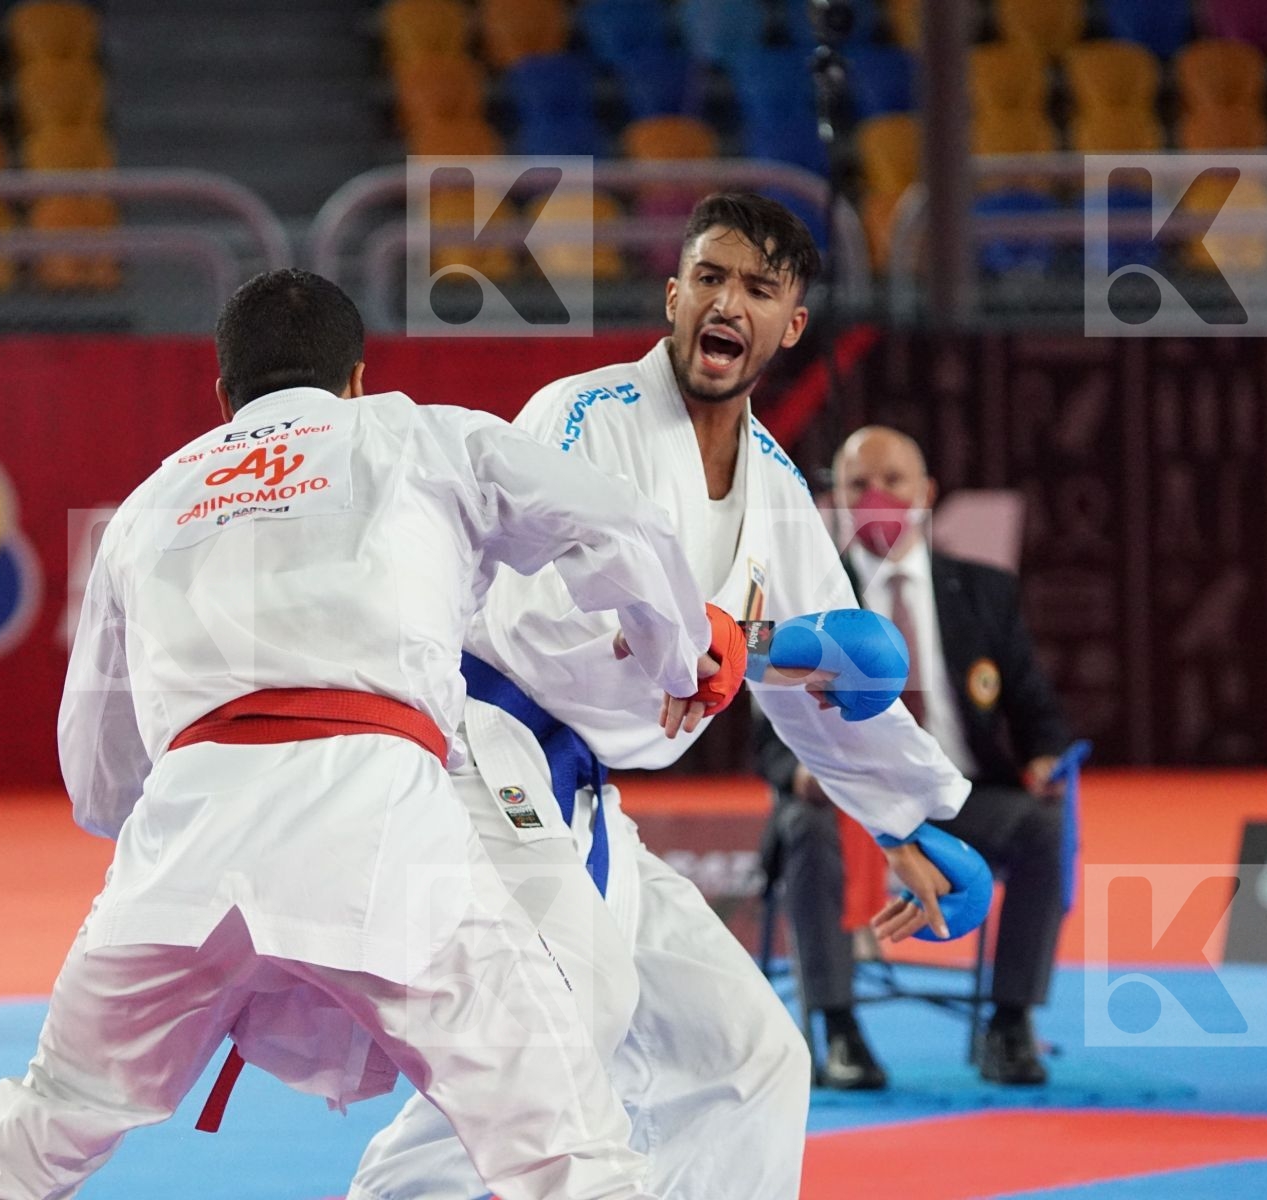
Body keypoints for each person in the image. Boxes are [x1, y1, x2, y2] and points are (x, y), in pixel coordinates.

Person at [0, 269, 743, 1200]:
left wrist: (199, 843)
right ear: (357, 377)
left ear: (223, 395)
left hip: (181, 856)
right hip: (383, 828)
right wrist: (682, 658)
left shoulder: (147, 506)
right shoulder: (420, 431)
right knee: (562, 1150)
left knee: (52, 1113)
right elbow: (615, 523)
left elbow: (99, 780)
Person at [349, 194, 972, 1200]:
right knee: (561, 1019)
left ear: (790, 326)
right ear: (675, 295)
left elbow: (829, 681)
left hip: (586, 795)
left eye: (759, 289)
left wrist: (914, 820)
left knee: (749, 1056)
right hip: (489, 748)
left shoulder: (773, 484)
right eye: (712, 279)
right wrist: (701, 647)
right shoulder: (582, 415)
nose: (729, 303)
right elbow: (540, 612)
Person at [754, 425, 1074, 1088]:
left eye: (892, 482)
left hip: (954, 796)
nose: (876, 497)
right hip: (844, 802)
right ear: (834, 501)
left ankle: (1010, 1024)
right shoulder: (805, 591)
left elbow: (1035, 710)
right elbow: (766, 735)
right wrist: (801, 773)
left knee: (1041, 825)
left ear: (926, 492)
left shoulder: (983, 590)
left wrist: (1046, 759)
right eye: (857, 485)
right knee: (803, 826)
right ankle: (840, 1030)